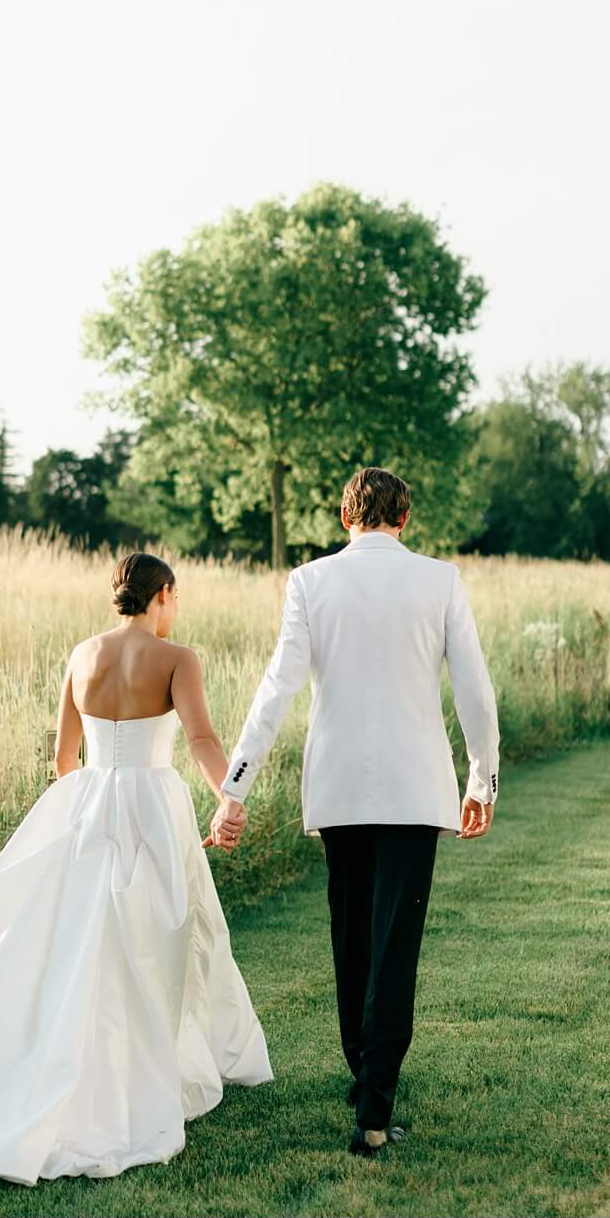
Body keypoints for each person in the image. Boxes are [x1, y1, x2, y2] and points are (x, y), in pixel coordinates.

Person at [0, 553, 272, 1185]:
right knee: (157, 940)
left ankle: (85, 1065)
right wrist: (229, 798)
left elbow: (63, 758)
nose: (176, 610)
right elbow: (199, 739)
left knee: (90, 946)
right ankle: (143, 1071)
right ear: (162, 594)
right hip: (152, 808)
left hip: (89, 807)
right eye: (176, 598)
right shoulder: (177, 659)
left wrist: (90, 809)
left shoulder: (82, 655)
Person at [216, 465, 499, 1156]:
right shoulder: (439, 580)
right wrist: (481, 778)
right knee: (393, 948)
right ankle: (373, 1102)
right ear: (404, 519)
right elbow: (475, 689)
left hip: (338, 790)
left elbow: (276, 688)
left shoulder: (310, 582)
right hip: (414, 790)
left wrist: (237, 782)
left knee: (352, 943)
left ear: (347, 518)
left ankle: (366, 1083)